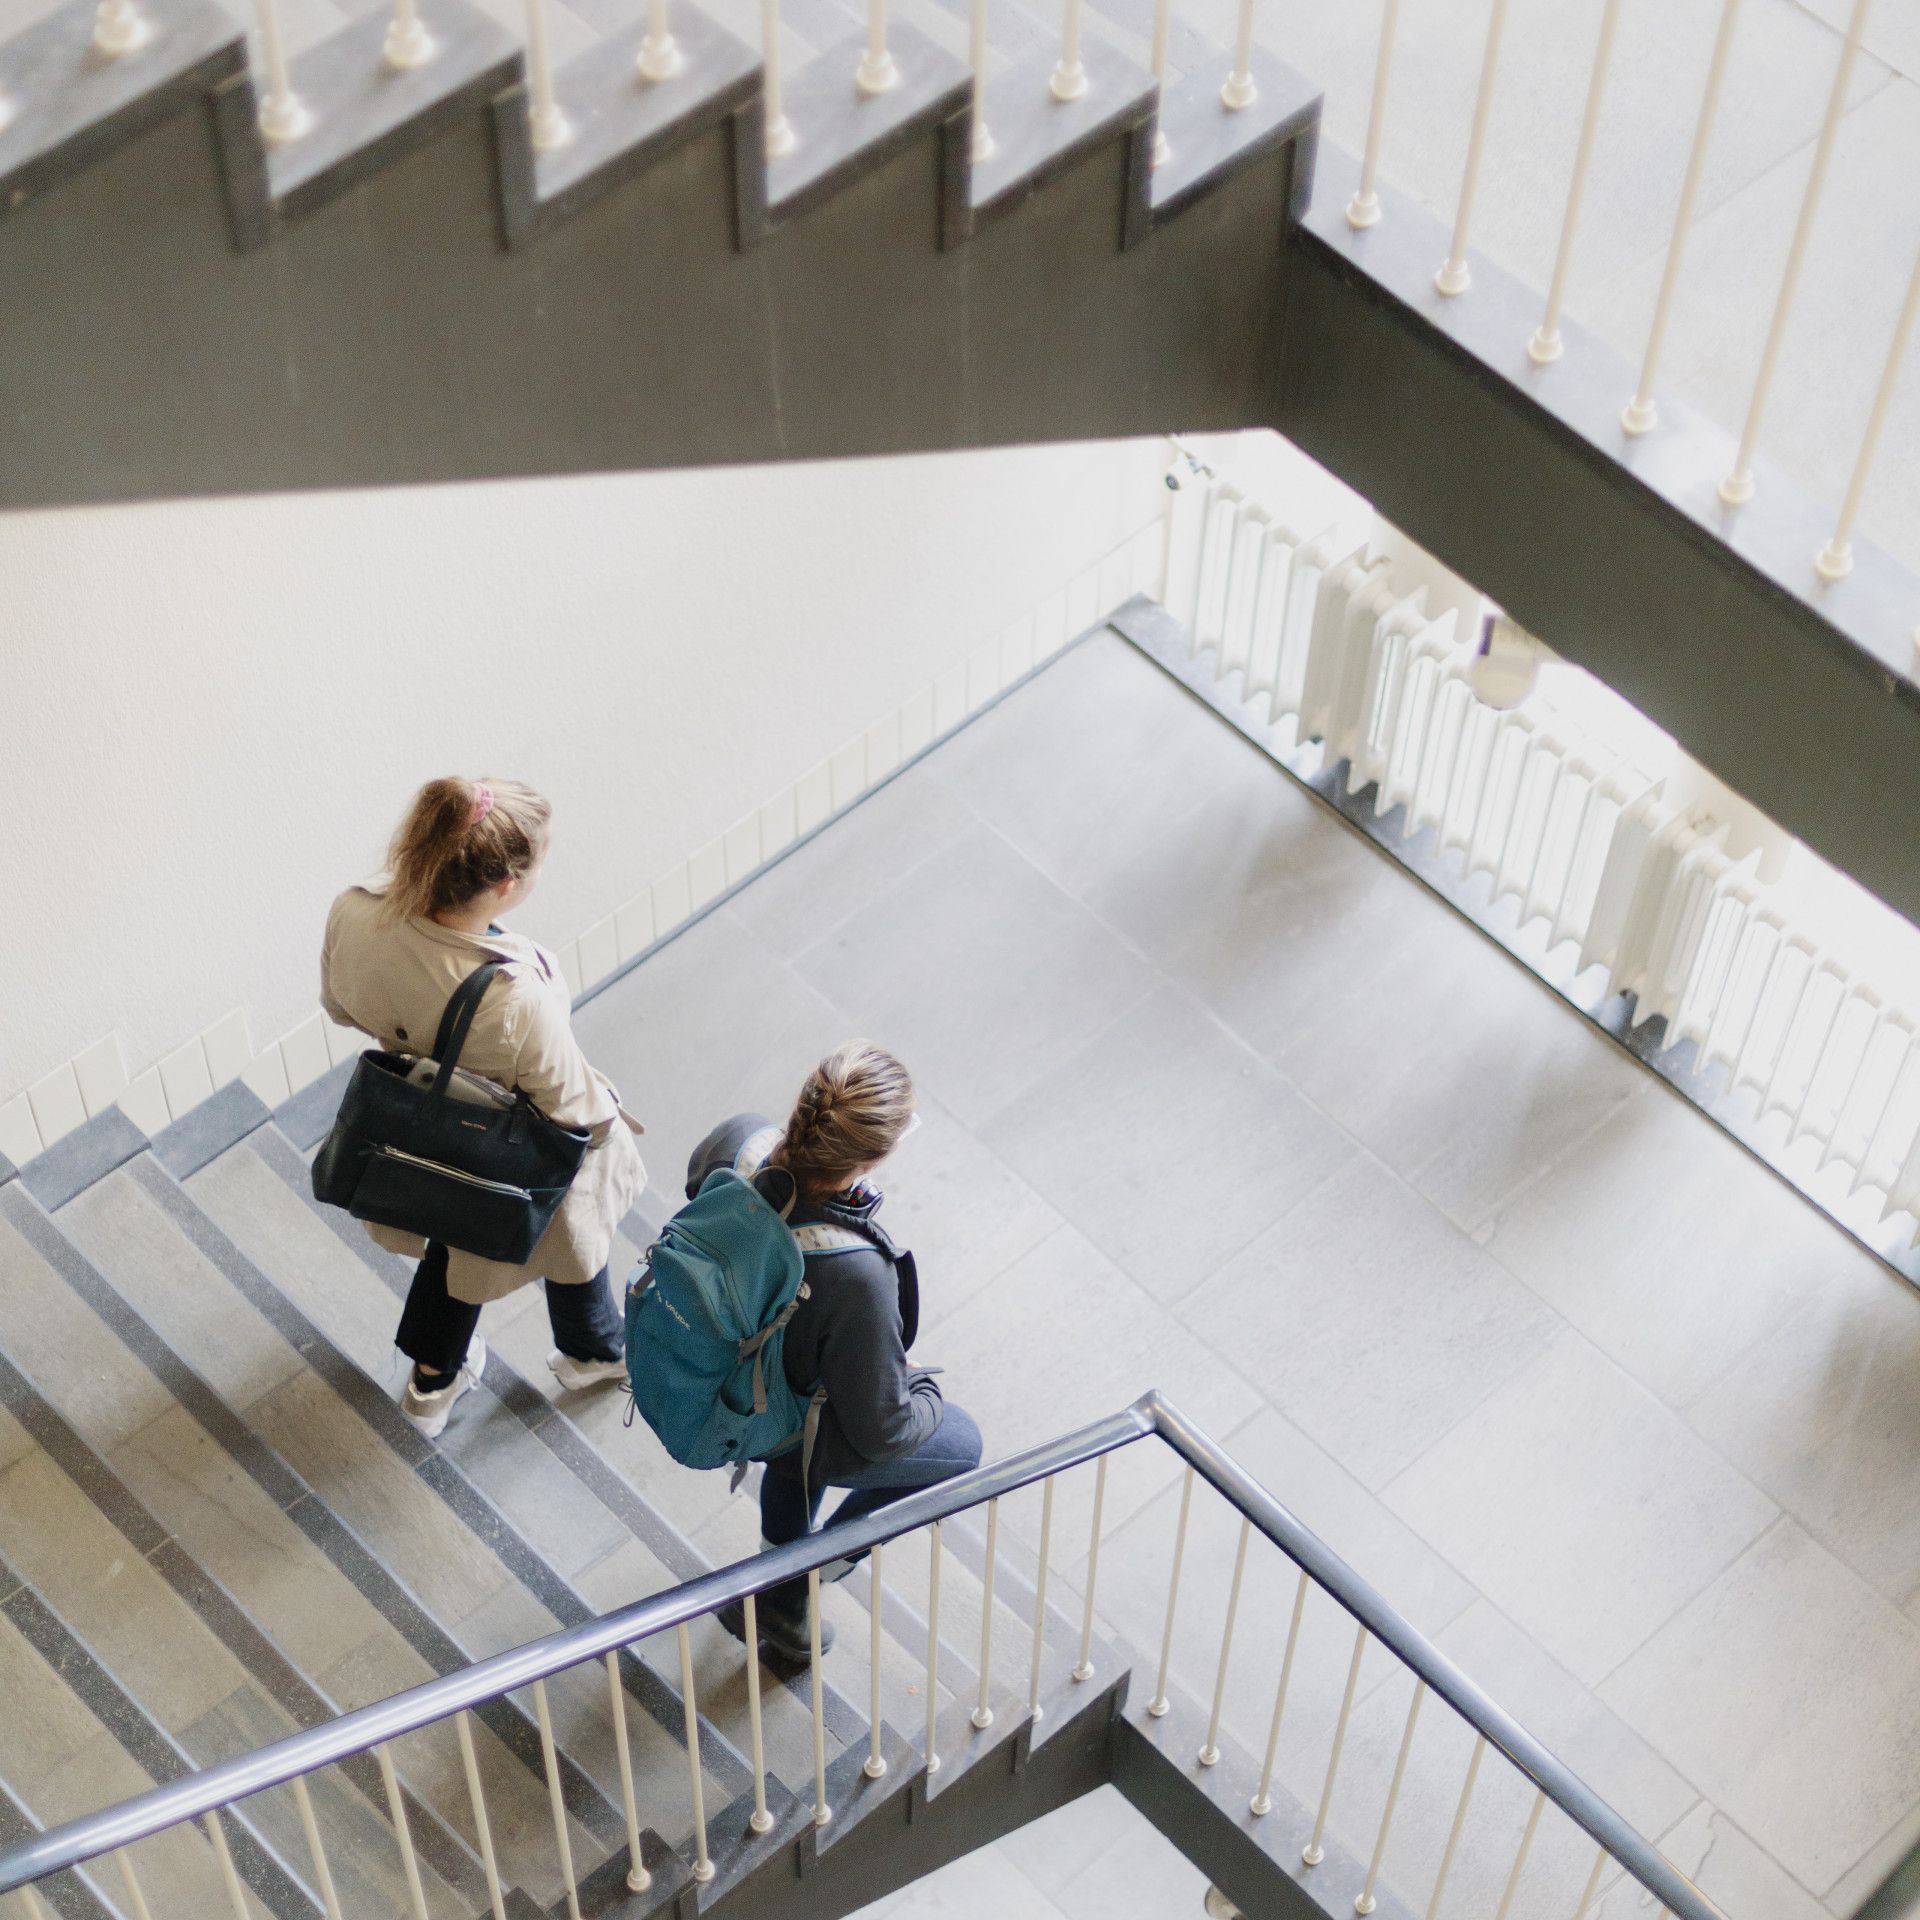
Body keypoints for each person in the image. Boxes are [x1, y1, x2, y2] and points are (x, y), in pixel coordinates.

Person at [320, 776, 646, 1438]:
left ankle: (432, 1381)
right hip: (502, 1143)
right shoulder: (512, 991)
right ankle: (591, 1349)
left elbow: (339, 1006)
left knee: (455, 1229)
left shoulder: (354, 915)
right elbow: (572, 1110)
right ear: (504, 886)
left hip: (416, 1128)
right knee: (559, 1213)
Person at [685, 1043, 982, 1664]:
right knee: (962, 1448)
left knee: (795, 1441)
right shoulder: (854, 1275)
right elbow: (884, 1431)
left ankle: (781, 1590)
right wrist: (924, 1390)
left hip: (730, 1376)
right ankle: (804, 1573)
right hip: (793, 1411)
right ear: (873, 1157)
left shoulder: (734, 1143)